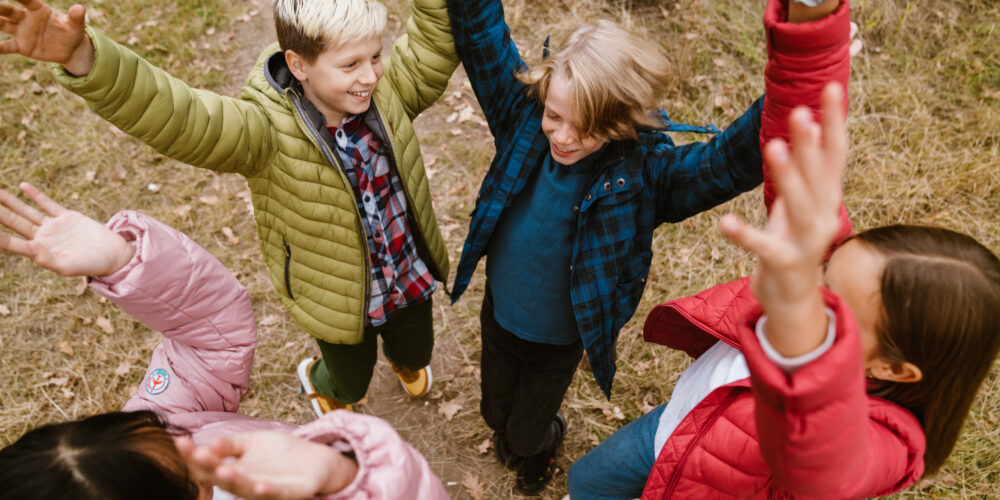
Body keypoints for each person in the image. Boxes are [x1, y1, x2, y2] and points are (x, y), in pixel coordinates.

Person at [566, 5, 1000, 499]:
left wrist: (796, 313)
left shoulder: (887, 444)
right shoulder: (830, 266)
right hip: (678, 426)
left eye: (828, 307)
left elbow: (816, 463)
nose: (807, 286)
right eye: (825, 271)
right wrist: (812, 31)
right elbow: (799, 139)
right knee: (588, 481)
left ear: (893, 370)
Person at [0, 0, 457, 414]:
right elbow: (177, 115)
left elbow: (433, 45)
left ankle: (407, 362)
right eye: (351, 64)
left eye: (376, 56)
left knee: (416, 347)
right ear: (298, 65)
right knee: (350, 378)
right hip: (337, 298)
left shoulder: (388, 94)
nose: (371, 75)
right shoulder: (262, 133)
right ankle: (323, 385)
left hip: (408, 274)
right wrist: (85, 59)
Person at [445, 0, 771, 492]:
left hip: (559, 340)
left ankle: (542, 443)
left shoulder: (646, 175)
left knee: (527, 431)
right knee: (495, 410)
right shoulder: (521, 116)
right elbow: (479, 33)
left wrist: (796, 84)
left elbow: (727, 162)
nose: (565, 135)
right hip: (500, 314)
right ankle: (514, 432)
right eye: (555, 115)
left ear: (621, 120)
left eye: (589, 125)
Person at [0, 182, 449, 500]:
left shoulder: (153, 427)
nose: (193, 447)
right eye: (187, 475)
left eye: (167, 434)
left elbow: (212, 337)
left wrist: (125, 261)